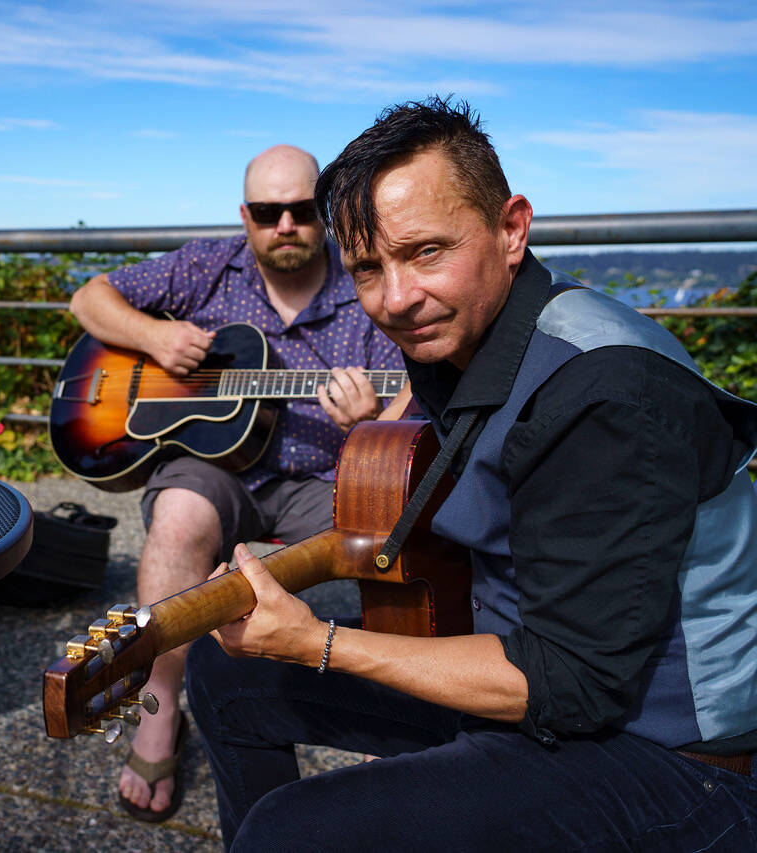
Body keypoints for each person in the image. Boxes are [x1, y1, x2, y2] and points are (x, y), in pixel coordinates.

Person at [185, 97, 757, 851]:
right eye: (367, 268)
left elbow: (573, 685)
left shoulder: (602, 393)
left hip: (669, 755)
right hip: (528, 683)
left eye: (427, 251)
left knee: (291, 832)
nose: (396, 299)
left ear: (511, 229)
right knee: (228, 671)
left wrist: (316, 640)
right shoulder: (468, 340)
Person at [68, 144, 410, 822]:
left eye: (301, 209)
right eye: (266, 211)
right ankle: (159, 715)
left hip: (326, 475)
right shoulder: (207, 264)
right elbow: (89, 298)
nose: (285, 224)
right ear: (245, 215)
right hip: (216, 469)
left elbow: (411, 396)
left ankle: (393, 720)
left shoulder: (366, 278)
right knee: (177, 518)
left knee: (391, 530)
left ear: (326, 212)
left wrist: (373, 423)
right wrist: (154, 338)